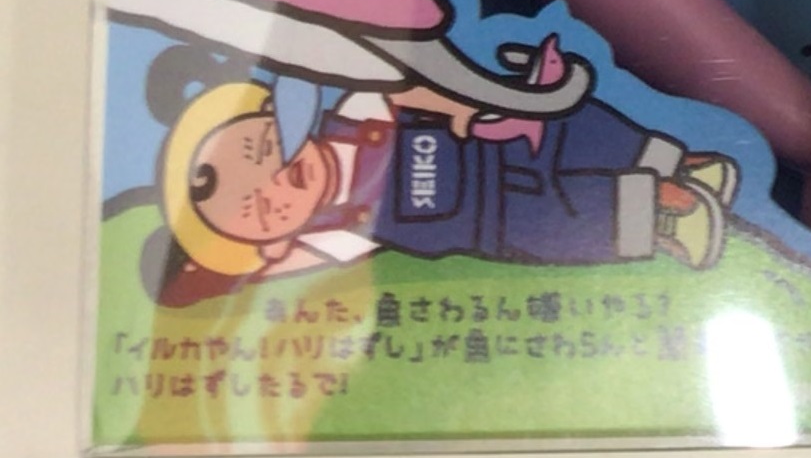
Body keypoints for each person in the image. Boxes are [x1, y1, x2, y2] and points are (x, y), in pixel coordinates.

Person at [154, 61, 739, 302]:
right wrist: (217, 276)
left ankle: (673, 165)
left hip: (490, 141)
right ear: (273, 242)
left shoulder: (354, 111)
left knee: (571, 128)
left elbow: (409, 90)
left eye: (267, 148)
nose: (278, 179)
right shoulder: (336, 234)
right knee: (562, 223)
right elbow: (277, 267)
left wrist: (466, 104)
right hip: (494, 218)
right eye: (263, 206)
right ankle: (664, 214)